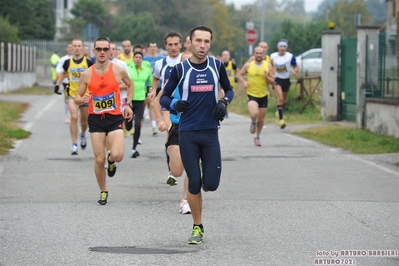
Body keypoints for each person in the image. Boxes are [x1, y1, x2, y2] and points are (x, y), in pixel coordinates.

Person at [160, 25, 234, 245]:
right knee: (193, 183)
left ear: (210, 43)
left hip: (210, 133)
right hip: (188, 133)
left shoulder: (217, 66)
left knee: (210, 184)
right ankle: (197, 226)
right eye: (199, 41)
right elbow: (163, 98)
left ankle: (203, 179)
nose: (203, 46)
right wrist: (174, 103)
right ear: (190, 43)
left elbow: (229, 90)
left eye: (207, 41)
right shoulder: (180, 70)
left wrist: (224, 102)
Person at [74, 37, 133, 205]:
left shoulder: (118, 70)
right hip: (96, 119)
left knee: (118, 155)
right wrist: (82, 99)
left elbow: (131, 85)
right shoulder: (86, 74)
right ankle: (103, 191)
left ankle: (112, 160)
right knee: (99, 160)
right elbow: (76, 97)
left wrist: (128, 105)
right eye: (98, 49)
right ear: (93, 51)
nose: (102, 52)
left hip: (114, 117)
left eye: (105, 49)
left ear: (110, 51)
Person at [154, 52, 192, 214]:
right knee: (177, 171)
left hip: (196, 127)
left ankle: (185, 200)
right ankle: (170, 150)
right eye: (184, 62)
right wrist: (162, 121)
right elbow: (158, 101)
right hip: (177, 126)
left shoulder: (203, 80)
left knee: (192, 168)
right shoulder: (173, 82)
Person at [149, 31, 183, 186]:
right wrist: (153, 90)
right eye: (170, 44)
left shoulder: (186, 61)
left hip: (184, 104)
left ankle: (183, 162)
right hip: (167, 104)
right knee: (170, 133)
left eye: (176, 44)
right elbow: (157, 79)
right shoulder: (160, 63)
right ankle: (172, 171)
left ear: (181, 44)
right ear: (166, 46)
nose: (173, 47)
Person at [55, 38, 93, 155]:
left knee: (84, 121)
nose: (76, 48)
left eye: (79, 46)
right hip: (72, 94)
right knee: (74, 116)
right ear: (71, 48)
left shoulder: (88, 62)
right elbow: (64, 73)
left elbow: (94, 75)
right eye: (74, 46)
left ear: (82, 48)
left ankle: (82, 135)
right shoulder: (67, 62)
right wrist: (57, 85)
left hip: (85, 96)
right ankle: (74, 144)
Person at [237, 46, 275, 146]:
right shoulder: (248, 65)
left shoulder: (268, 66)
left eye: (260, 53)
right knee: (254, 113)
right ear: (254, 54)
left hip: (263, 94)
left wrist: (267, 77)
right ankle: (253, 121)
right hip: (252, 94)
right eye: (257, 53)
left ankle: (257, 136)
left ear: (263, 54)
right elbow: (240, 74)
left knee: (261, 119)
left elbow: (273, 81)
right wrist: (244, 82)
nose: (258, 55)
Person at [126, 51, 153, 158]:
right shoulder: (128, 69)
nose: (138, 59)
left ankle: (134, 148)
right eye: (136, 57)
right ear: (133, 58)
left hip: (141, 100)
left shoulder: (146, 70)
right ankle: (127, 127)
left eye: (140, 57)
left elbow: (150, 85)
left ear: (142, 59)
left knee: (137, 124)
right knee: (128, 125)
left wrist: (149, 94)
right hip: (129, 99)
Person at [270, 39, 299, 129]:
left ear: (286, 48)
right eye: (281, 46)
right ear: (278, 47)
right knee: (280, 97)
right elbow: (270, 66)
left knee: (283, 101)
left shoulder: (290, 56)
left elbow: (296, 66)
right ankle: (281, 120)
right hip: (277, 79)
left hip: (286, 79)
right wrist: (271, 74)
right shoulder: (273, 56)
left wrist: (295, 71)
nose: (282, 48)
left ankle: (278, 111)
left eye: (284, 46)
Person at [144, 42, 165, 136]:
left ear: (157, 48)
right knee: (152, 104)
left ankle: (161, 121)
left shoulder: (162, 58)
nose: (152, 48)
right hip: (150, 85)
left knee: (160, 104)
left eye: (154, 47)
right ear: (148, 48)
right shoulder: (145, 59)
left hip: (160, 84)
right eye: (151, 47)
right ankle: (153, 125)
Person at [55, 43, 73, 123]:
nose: (70, 49)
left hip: (76, 83)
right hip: (66, 82)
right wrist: (64, 73)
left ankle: (74, 114)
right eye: (69, 47)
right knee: (67, 100)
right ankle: (68, 116)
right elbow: (58, 69)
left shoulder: (77, 59)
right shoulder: (63, 59)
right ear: (66, 49)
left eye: (72, 47)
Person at [220, 50, 238, 118]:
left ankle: (225, 109)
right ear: (222, 56)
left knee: (227, 99)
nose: (225, 56)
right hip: (222, 83)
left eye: (227, 55)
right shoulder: (220, 64)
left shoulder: (232, 64)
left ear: (229, 56)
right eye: (224, 55)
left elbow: (238, 71)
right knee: (224, 96)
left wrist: (236, 77)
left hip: (230, 84)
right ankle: (225, 112)